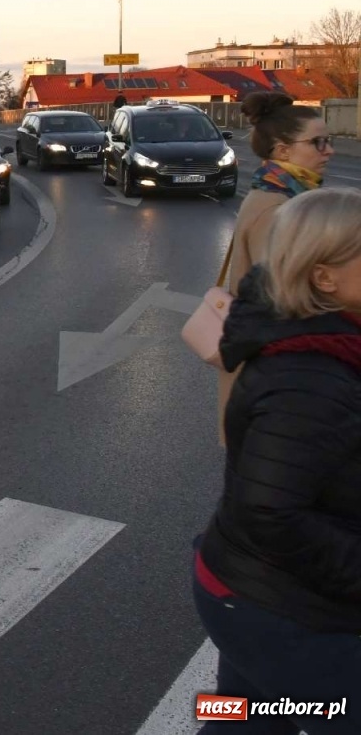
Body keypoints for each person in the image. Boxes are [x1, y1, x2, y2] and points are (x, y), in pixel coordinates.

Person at [194, 188, 361, 731]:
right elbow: (269, 512)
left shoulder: (328, 340)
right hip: (278, 606)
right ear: (324, 278)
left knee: (245, 717)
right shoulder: (310, 378)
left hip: (246, 593)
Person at [213, 92, 333, 441]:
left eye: (329, 141)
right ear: (283, 150)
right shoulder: (277, 207)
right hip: (276, 379)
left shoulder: (283, 195)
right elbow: (283, 298)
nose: (329, 150)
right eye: (318, 142)